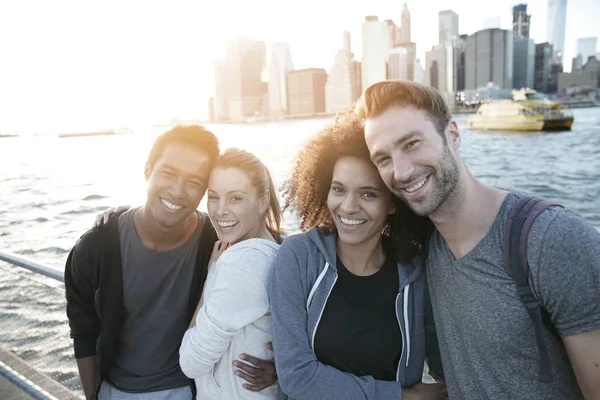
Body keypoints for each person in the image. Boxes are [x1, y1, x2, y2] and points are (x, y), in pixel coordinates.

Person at [355, 80, 600, 399]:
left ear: (453, 135)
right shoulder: (426, 249)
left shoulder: (551, 239)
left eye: (412, 143)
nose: (400, 171)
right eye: (383, 159)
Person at [65, 125, 277, 400]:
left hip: (187, 391)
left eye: (194, 182)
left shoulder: (219, 241)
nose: (178, 191)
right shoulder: (96, 247)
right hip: (114, 391)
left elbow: (275, 253)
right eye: (168, 173)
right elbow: (83, 330)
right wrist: (92, 396)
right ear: (147, 170)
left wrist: (282, 368)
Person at [269, 111, 446, 400]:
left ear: (392, 203)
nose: (348, 207)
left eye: (368, 194)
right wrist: (402, 397)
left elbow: (444, 363)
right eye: (339, 190)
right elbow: (296, 375)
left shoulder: (415, 271)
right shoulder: (299, 257)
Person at [179, 148, 283, 399]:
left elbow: (190, 363)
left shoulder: (240, 263)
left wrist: (211, 273)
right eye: (213, 197)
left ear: (262, 201)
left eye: (235, 198)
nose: (219, 211)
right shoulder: (278, 248)